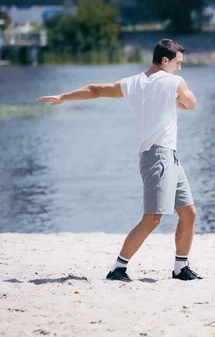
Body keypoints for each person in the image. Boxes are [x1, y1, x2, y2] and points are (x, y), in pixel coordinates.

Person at [37, 39, 201, 282]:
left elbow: (96, 89)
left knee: (188, 213)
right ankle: (118, 268)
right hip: (159, 158)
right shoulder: (174, 82)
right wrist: (178, 100)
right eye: (178, 63)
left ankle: (180, 268)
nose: (180, 68)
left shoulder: (132, 83)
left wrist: (63, 97)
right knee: (152, 218)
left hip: (165, 157)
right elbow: (192, 103)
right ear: (165, 61)